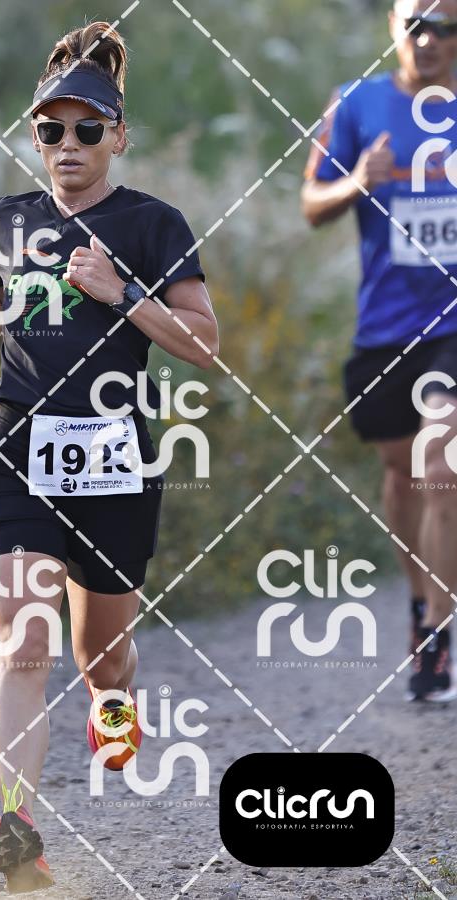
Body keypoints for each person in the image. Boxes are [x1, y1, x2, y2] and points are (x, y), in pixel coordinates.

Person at [0, 21, 218, 893]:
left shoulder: (153, 224)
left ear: (119, 136)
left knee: (100, 659)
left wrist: (122, 293)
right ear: (36, 136)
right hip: (20, 447)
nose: (69, 143)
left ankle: (114, 700)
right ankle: (19, 829)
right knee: (25, 640)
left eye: (89, 128)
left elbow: (204, 345)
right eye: (53, 129)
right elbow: (3, 294)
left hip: (114, 458)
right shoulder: (13, 216)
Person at [301, 0, 457, 702]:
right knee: (403, 475)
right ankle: (421, 602)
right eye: (415, 24)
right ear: (393, 26)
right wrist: (359, 178)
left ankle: (439, 637)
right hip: (386, 329)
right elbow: (311, 205)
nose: (428, 39)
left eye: (445, 26)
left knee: (440, 460)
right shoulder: (355, 104)